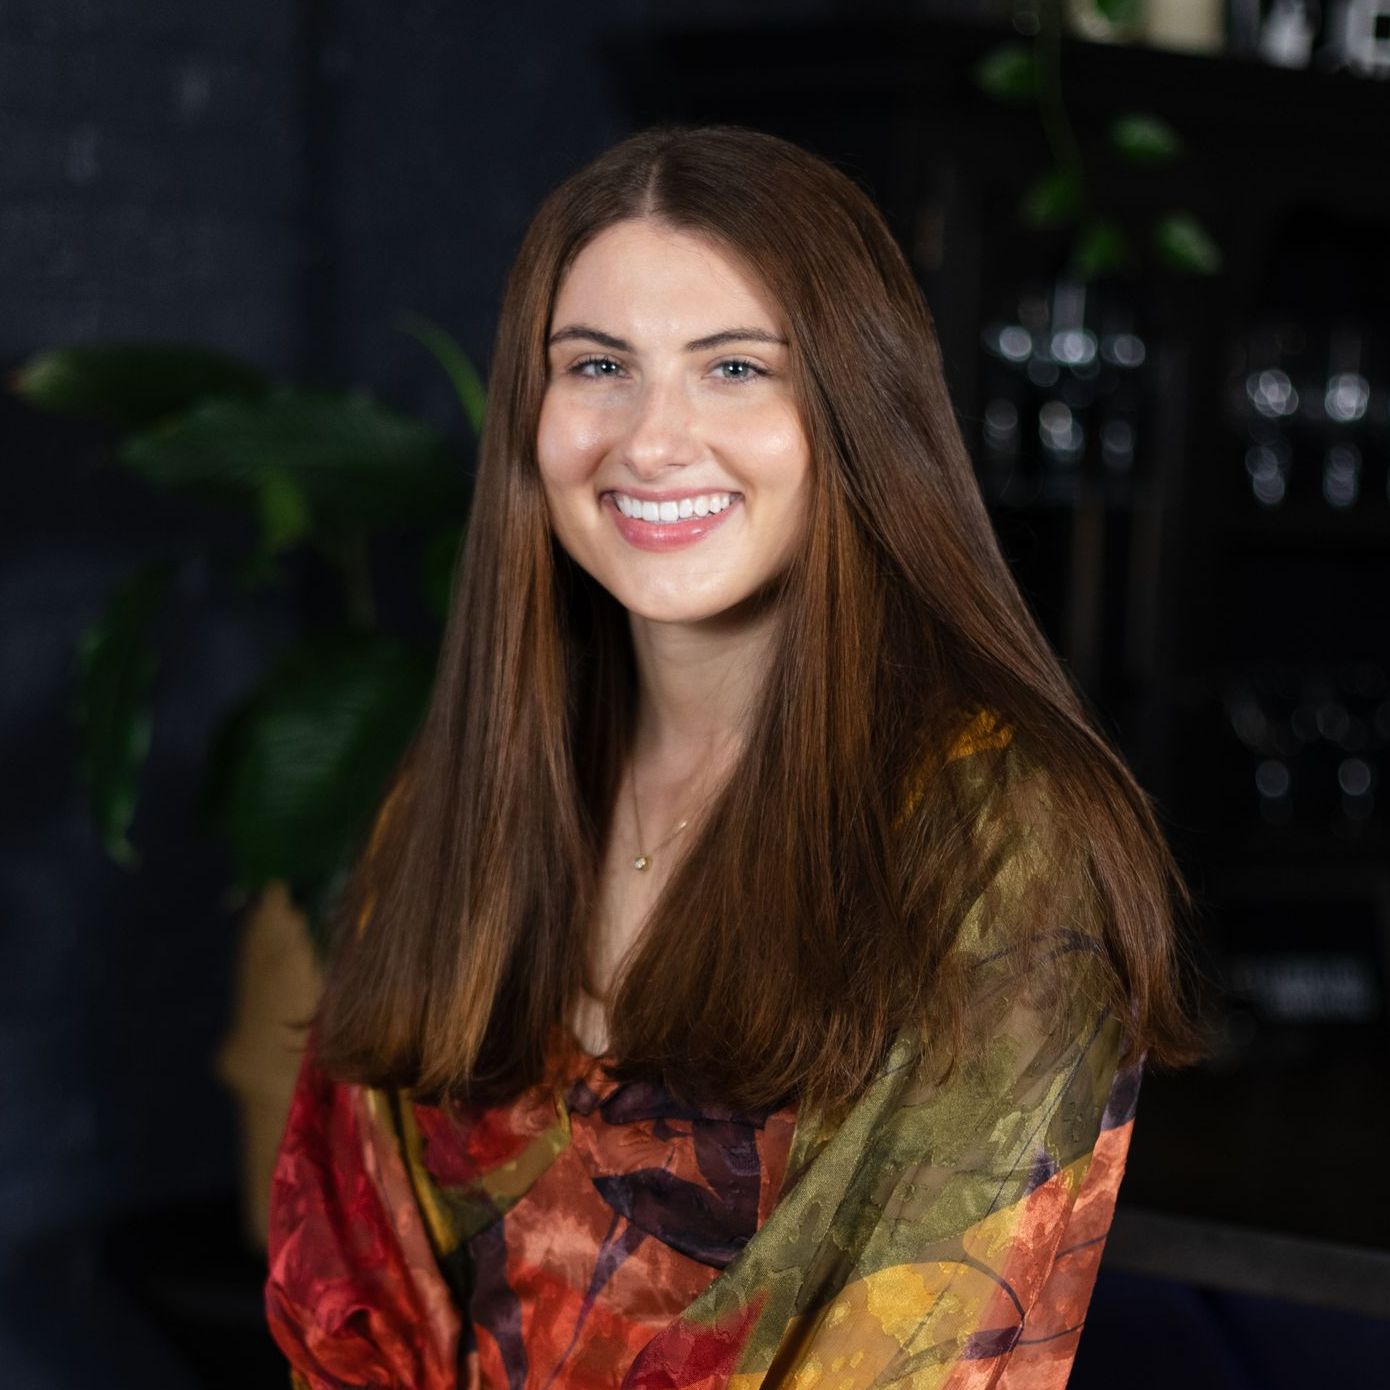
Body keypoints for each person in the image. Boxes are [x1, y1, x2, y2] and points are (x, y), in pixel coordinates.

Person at [263, 123, 1201, 1389]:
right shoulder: (457, 791)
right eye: (598, 364)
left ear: (854, 408)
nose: (652, 440)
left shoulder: (998, 839)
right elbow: (345, 1270)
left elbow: (919, 1353)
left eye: (734, 369)